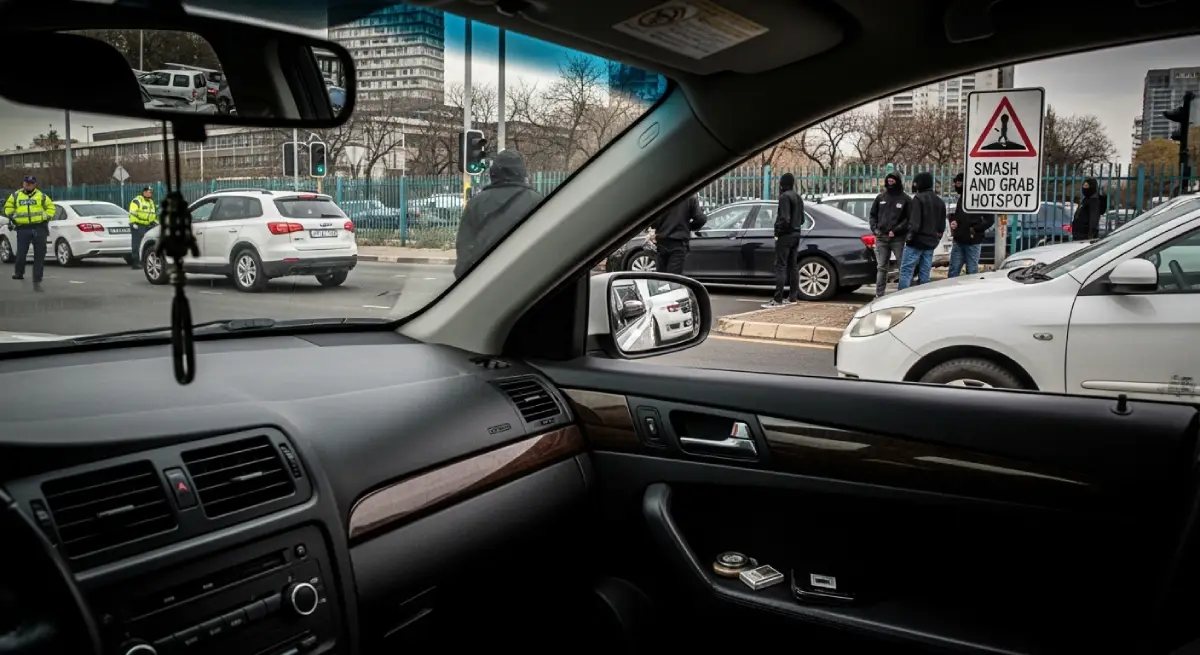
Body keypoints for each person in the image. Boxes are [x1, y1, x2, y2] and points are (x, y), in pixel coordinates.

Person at [454, 150, 544, 279]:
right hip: (525, 278)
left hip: (485, 280)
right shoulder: (536, 200)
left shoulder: (476, 203)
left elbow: (464, 246)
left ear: (493, 172)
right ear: (522, 173)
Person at [3, 175, 55, 291]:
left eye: (31, 183)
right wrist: (12, 216)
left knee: (39, 254)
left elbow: (51, 207)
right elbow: (7, 207)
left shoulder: (41, 196)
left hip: (39, 227)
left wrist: (47, 217)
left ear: (35, 185)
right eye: (26, 183)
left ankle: (37, 277)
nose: (28, 185)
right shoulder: (16, 195)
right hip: (23, 228)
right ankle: (19, 273)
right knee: (21, 253)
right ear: (23, 184)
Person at [897, 172, 945, 290]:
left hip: (916, 241)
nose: (915, 185)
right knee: (925, 272)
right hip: (930, 242)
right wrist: (936, 239)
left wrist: (909, 238)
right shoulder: (939, 201)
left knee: (906, 270)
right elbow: (941, 226)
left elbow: (914, 223)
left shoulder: (918, 199)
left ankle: (901, 297)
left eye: (916, 182)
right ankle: (922, 297)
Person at [762, 173, 803, 308]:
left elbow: (784, 219)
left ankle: (777, 299)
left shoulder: (784, 197)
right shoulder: (798, 197)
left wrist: (778, 231)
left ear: (782, 184)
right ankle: (793, 297)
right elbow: (802, 219)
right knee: (793, 265)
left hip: (785, 235)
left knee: (780, 266)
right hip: (797, 234)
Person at [868, 172, 909, 297]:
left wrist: (897, 230)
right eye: (888, 181)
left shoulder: (905, 199)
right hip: (881, 238)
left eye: (893, 181)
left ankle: (902, 294)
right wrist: (875, 229)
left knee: (902, 266)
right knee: (881, 267)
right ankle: (879, 295)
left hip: (898, 239)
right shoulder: (880, 198)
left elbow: (908, 218)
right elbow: (872, 215)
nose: (890, 183)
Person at [947, 173, 994, 277]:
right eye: (955, 183)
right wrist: (955, 222)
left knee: (972, 272)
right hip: (959, 240)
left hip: (973, 241)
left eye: (958, 183)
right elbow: (959, 215)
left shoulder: (980, 197)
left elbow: (990, 220)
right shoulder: (962, 198)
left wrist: (974, 229)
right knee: (953, 271)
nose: (956, 186)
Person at [648, 193, 707, 275]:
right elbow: (701, 219)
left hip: (661, 241)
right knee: (673, 277)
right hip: (679, 242)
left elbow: (651, 220)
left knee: (661, 276)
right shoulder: (689, 196)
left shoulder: (660, 194)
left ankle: (661, 286)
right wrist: (687, 227)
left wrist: (658, 227)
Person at [128, 186, 158, 268]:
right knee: (137, 244)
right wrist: (134, 223)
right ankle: (136, 262)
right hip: (138, 225)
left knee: (148, 243)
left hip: (148, 225)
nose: (150, 193)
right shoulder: (137, 201)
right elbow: (132, 213)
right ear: (144, 192)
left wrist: (155, 222)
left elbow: (152, 214)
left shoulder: (151, 202)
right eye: (148, 192)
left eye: (151, 192)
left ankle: (145, 262)